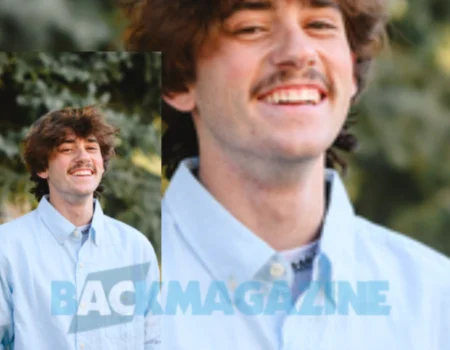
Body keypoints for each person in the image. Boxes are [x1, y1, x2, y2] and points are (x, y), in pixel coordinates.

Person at [122, 0, 450, 349]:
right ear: (179, 76)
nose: (298, 52)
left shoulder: (436, 302)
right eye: (251, 28)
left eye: (321, 25)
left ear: (351, 68)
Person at [0, 106, 160, 349]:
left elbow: (154, 340)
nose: (83, 157)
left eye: (92, 148)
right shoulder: (8, 248)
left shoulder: (135, 249)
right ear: (43, 168)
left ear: (102, 165)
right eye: (67, 149)